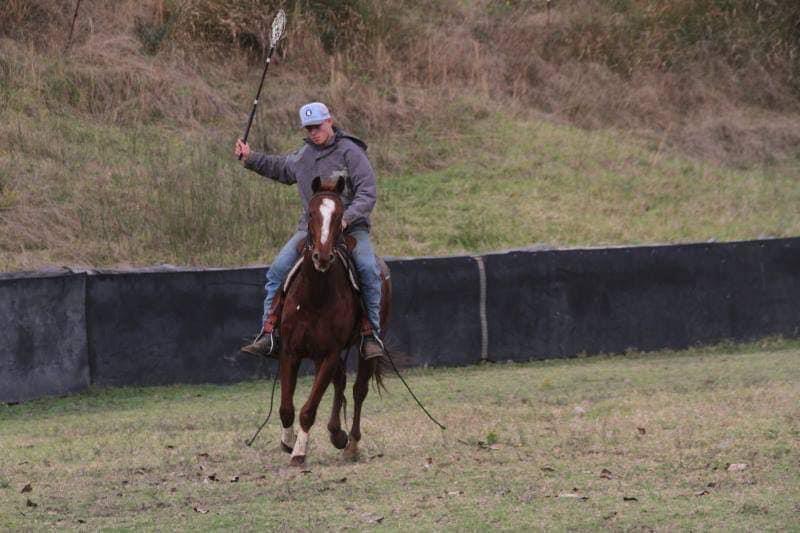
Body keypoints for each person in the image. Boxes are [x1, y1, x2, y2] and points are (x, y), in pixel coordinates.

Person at [235, 102, 386, 360]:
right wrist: (250, 157)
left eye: (317, 126)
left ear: (329, 121)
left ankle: (370, 335)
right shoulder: (304, 156)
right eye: (309, 128)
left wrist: (347, 218)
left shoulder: (351, 152)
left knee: (368, 269)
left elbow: (367, 192)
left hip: (351, 229)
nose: (314, 132)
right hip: (311, 231)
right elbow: (280, 168)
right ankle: (269, 333)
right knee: (277, 270)